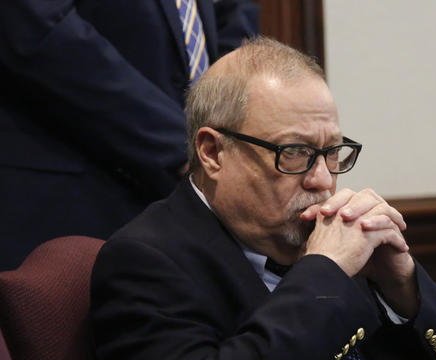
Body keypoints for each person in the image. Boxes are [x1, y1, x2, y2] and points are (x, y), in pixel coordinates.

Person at [89, 36, 436, 360]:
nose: (322, 180)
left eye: (331, 152)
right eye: (294, 154)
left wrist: (406, 291)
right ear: (213, 152)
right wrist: (324, 273)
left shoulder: (342, 244)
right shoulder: (147, 261)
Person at [0, 0, 258, 270]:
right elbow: (36, 27)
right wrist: (188, 144)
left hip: (192, 199)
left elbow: (231, 13)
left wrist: (231, 118)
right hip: (75, 191)